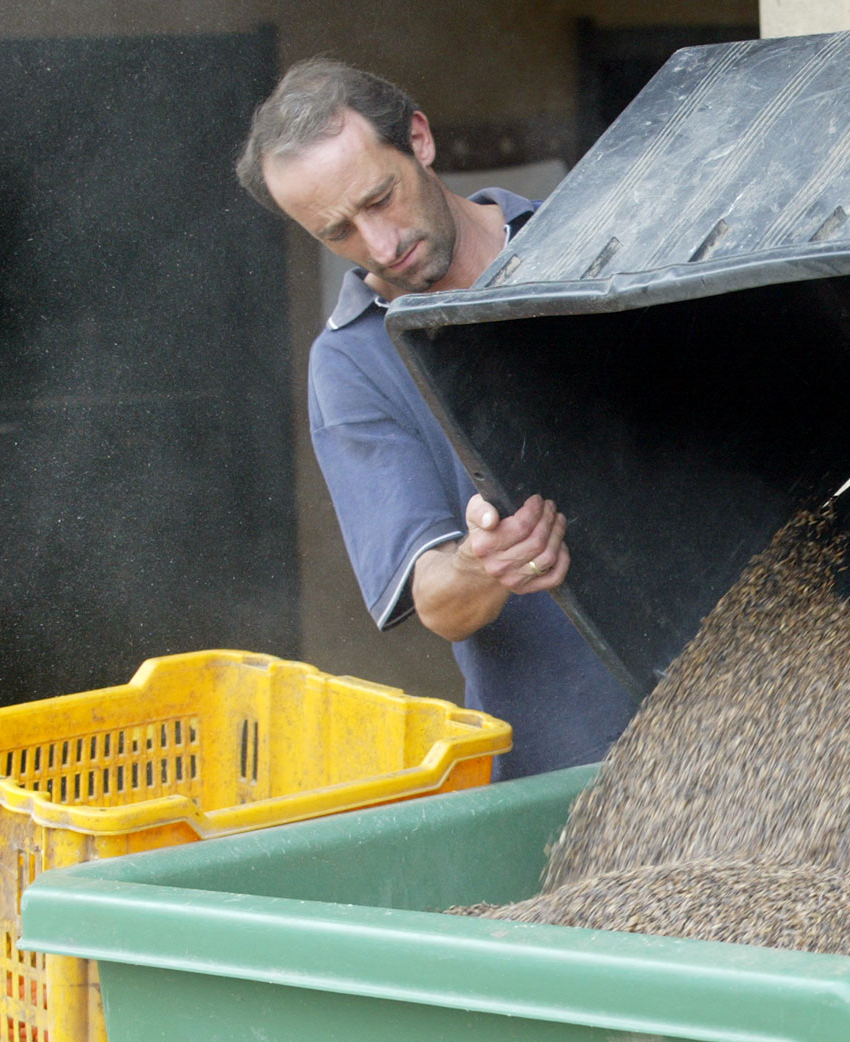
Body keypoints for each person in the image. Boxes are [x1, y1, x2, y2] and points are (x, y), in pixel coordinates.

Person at [235, 59, 633, 779]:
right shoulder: (350, 366)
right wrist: (488, 563)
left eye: (380, 199)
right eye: (339, 234)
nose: (379, 246)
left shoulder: (597, 242)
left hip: (755, 696)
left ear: (418, 138)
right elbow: (437, 600)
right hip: (570, 773)